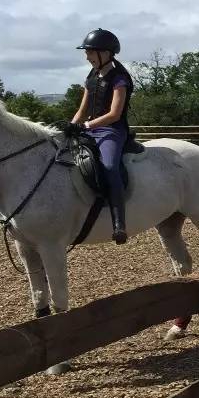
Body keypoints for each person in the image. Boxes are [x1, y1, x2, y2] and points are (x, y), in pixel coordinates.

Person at [66, 28, 134, 244]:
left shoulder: (120, 78)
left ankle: (119, 224)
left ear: (105, 53)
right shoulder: (92, 76)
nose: (86, 56)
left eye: (89, 52)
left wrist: (86, 125)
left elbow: (114, 114)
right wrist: (70, 126)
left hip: (112, 131)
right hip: (90, 128)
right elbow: (82, 110)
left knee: (109, 167)